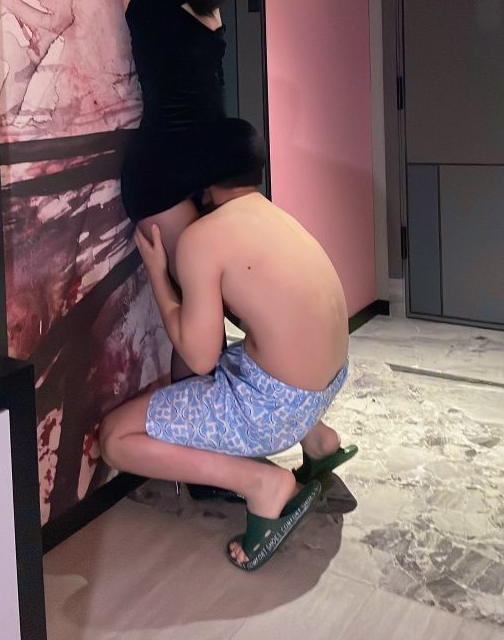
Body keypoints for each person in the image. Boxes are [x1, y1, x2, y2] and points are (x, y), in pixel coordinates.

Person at [100, 122, 357, 571]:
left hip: (275, 406)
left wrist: (158, 273)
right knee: (252, 350)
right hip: (326, 384)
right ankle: (320, 441)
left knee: (115, 439)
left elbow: (198, 357)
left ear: (200, 175)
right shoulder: (277, 216)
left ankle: (261, 484)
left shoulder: (203, 238)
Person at [120, 0, 239, 384]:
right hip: (163, 173)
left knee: (212, 305)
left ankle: (205, 419)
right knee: (206, 312)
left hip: (200, 171)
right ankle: (192, 424)